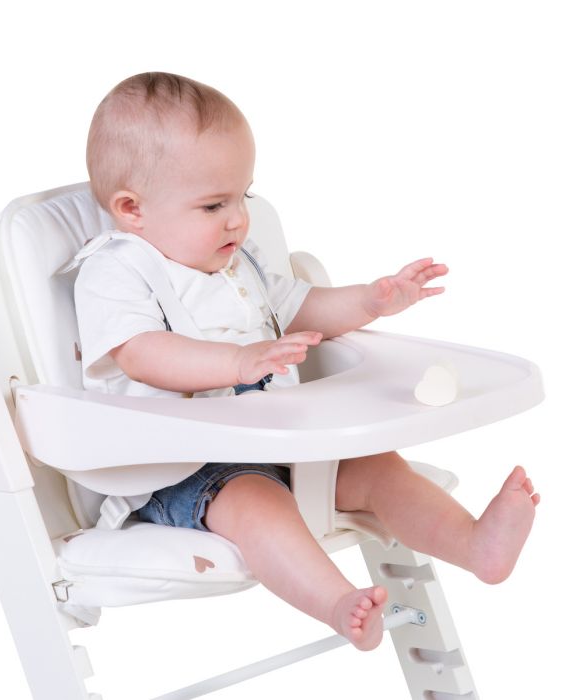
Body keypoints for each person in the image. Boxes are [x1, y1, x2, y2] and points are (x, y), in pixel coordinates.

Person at [75, 72, 539, 651]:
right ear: (132, 209)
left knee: (379, 466)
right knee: (256, 502)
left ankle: (475, 544)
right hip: (182, 465)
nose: (237, 218)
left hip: (284, 441)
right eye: (214, 204)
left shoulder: (236, 262)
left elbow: (300, 308)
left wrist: (371, 300)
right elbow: (141, 354)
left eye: (243, 196)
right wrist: (238, 362)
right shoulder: (117, 269)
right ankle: (337, 602)